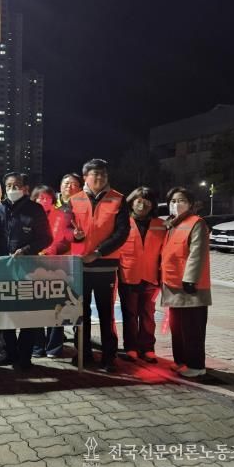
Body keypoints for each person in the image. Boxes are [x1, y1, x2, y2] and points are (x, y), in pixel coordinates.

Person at [70, 159, 129, 372]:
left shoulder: (118, 199)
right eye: (95, 174)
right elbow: (66, 232)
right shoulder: (74, 200)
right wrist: (75, 237)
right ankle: (83, 353)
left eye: (103, 174)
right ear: (85, 177)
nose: (100, 177)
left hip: (105, 266)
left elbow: (122, 232)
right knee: (80, 312)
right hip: (80, 266)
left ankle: (109, 357)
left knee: (106, 314)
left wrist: (98, 252)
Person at [0, 172, 52, 369]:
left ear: (25, 188)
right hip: (3, 269)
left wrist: (26, 250)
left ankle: (25, 356)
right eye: (9, 186)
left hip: (28, 269)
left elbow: (46, 238)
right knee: (6, 313)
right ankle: (9, 352)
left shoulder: (35, 210)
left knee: (28, 314)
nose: (13, 189)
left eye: (16, 185)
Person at [161, 187, 211, 378]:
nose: (176, 204)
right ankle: (182, 362)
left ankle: (196, 366)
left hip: (190, 288)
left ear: (190, 204)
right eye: (173, 201)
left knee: (192, 328)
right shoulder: (172, 224)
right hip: (173, 285)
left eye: (181, 200)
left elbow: (197, 253)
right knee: (178, 328)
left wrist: (190, 279)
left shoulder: (196, 223)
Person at [33, 174, 82, 358]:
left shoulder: (63, 214)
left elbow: (67, 236)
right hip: (34, 266)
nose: (43, 201)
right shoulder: (30, 216)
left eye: (47, 198)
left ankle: (54, 347)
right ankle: (37, 346)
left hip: (59, 265)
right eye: (40, 198)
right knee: (36, 307)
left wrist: (74, 237)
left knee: (58, 306)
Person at [117, 187, 166, 364]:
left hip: (151, 277)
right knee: (129, 315)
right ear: (131, 202)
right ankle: (131, 348)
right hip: (128, 275)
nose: (142, 205)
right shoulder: (123, 223)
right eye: (138, 201)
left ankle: (148, 348)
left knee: (148, 315)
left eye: (147, 202)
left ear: (152, 205)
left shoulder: (161, 225)